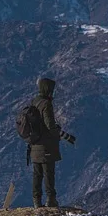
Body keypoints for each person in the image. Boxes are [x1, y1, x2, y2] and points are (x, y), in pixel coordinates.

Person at [29, 77, 75, 208]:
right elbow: (50, 125)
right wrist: (60, 134)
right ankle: (51, 200)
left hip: (34, 144)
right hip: (46, 146)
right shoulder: (46, 104)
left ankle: (36, 201)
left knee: (37, 174)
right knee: (49, 173)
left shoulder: (34, 101)